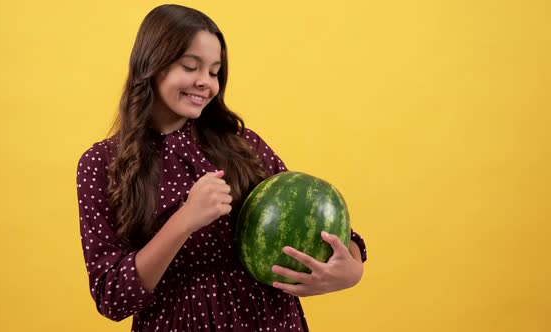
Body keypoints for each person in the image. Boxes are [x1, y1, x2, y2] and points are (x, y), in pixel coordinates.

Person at [76, 4, 367, 331]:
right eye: (191, 67)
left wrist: (352, 269)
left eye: (214, 72)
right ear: (151, 64)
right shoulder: (101, 164)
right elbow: (111, 297)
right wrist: (184, 220)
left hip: (269, 321)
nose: (205, 83)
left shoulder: (243, 145)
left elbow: (314, 223)